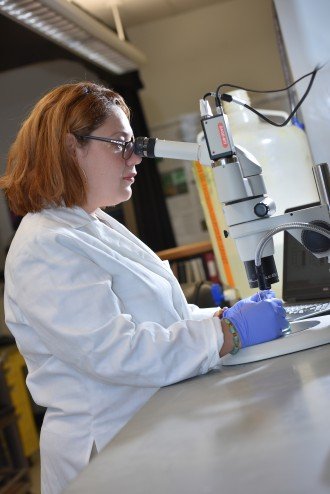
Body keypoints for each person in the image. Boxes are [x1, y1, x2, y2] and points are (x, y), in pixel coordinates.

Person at [0, 82, 288, 494]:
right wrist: (227, 333)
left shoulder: (92, 223)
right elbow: (116, 353)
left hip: (149, 431)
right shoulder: (45, 246)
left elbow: (165, 316)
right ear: (69, 147)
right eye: (119, 143)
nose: (135, 156)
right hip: (107, 451)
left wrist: (223, 317)